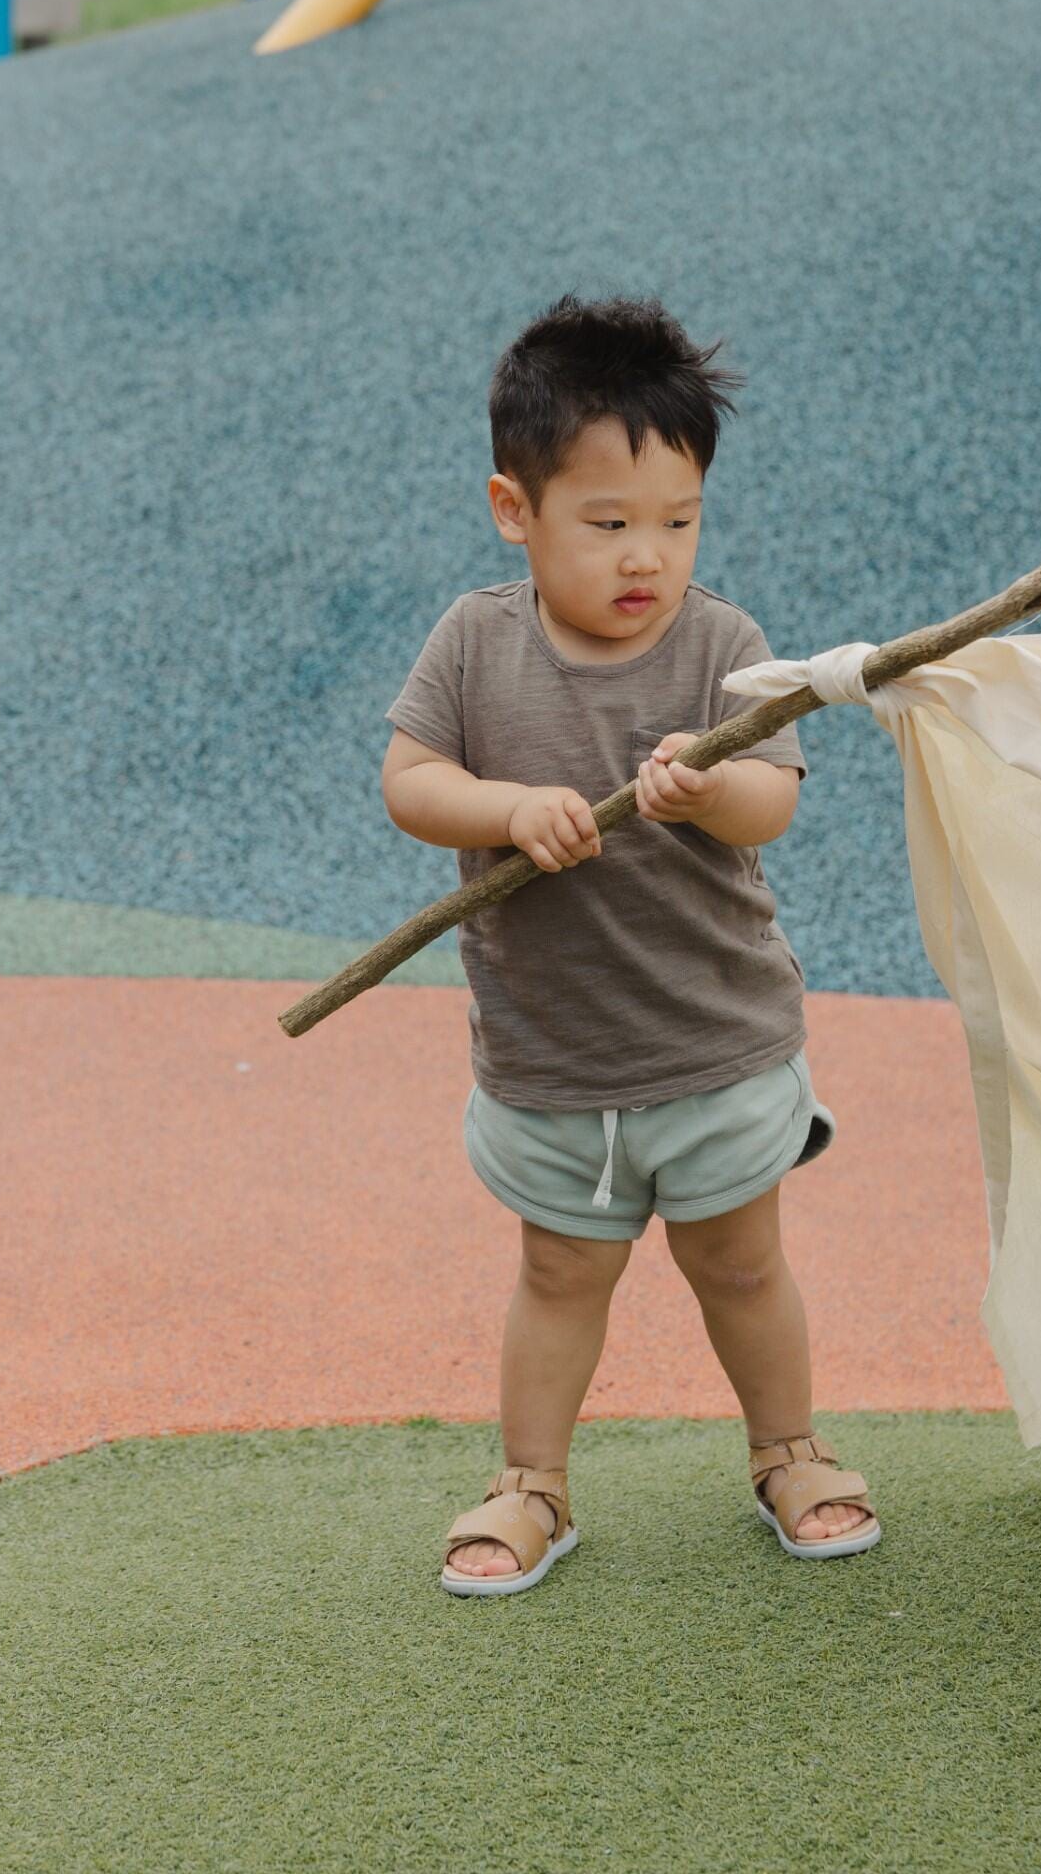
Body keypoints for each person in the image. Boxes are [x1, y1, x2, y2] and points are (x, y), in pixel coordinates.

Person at [381, 292, 879, 1595]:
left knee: (742, 1260)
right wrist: (503, 809)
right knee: (557, 1273)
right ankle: (529, 1483)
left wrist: (704, 789)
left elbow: (773, 794)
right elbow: (408, 781)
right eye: (605, 525)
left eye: (677, 520)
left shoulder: (721, 645)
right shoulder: (475, 644)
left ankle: (789, 1450)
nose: (644, 555)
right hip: (552, 1060)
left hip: (714, 1043)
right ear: (515, 512)